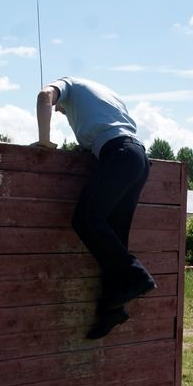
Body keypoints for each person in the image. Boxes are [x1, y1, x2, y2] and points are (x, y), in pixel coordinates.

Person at [36, 77, 155, 340]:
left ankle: (137, 275)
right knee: (113, 239)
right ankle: (112, 309)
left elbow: (44, 96)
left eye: (60, 107)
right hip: (137, 158)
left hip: (119, 155)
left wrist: (44, 141)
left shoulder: (67, 84)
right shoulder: (105, 97)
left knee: (85, 219)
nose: (59, 111)